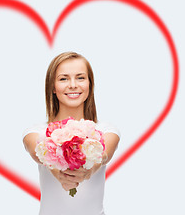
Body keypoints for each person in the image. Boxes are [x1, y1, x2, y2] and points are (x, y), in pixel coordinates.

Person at [23, 52, 120, 215]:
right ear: (53, 87)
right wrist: (58, 173)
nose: (73, 85)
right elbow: (36, 150)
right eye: (63, 79)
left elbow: (105, 154)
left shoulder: (105, 131)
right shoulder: (36, 132)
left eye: (80, 77)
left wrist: (89, 171)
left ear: (90, 84)